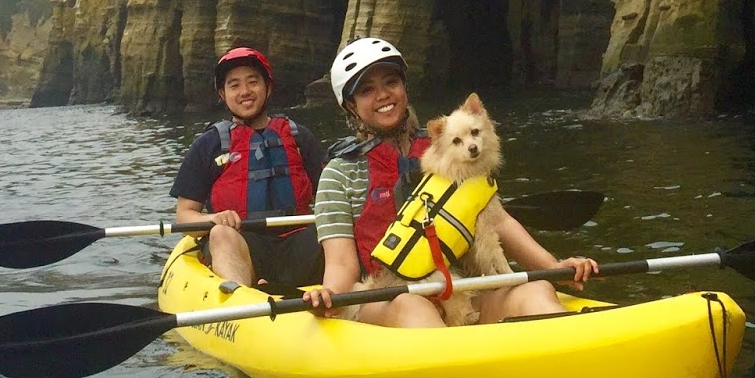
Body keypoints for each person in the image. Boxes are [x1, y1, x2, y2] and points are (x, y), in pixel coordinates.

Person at [302, 36, 597, 326]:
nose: (383, 95)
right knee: (414, 307)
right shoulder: (340, 173)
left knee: (536, 291)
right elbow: (341, 263)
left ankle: (572, 346)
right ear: (351, 106)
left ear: (404, 87)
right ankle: (456, 355)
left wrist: (554, 268)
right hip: (387, 296)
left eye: (391, 82)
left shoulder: (451, 148)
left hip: (461, 288)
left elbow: (497, 221)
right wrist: (330, 295)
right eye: (367, 90)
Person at [171, 46, 325, 292]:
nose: (245, 92)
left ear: (268, 87)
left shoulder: (299, 138)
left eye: (253, 82)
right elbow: (184, 215)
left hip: (298, 242)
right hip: (243, 245)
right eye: (234, 85)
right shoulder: (209, 145)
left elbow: (331, 199)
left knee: (336, 231)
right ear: (223, 94)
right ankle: (242, 298)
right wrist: (213, 219)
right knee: (221, 234)